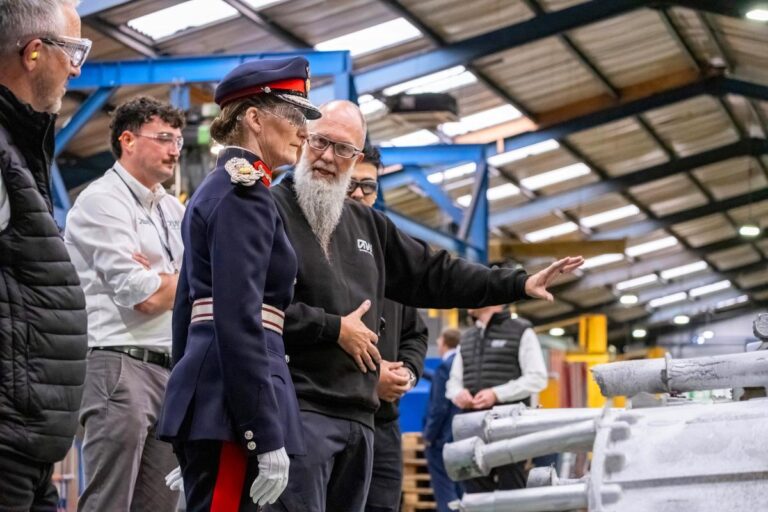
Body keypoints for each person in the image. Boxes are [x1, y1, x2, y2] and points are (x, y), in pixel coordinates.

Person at [269, 99, 583, 512]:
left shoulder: (369, 226)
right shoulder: (269, 210)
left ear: (357, 158)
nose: (328, 157)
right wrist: (334, 328)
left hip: (362, 422)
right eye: (321, 142)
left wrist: (518, 283)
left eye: (343, 149)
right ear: (303, 139)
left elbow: (438, 274)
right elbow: (254, 308)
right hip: (299, 412)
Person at [157, 57, 321, 511]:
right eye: (293, 116)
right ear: (254, 119)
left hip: (218, 407)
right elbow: (240, 319)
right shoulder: (244, 196)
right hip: (233, 411)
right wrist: (261, 431)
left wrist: (193, 416)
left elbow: (186, 315)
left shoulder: (222, 190)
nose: (303, 132)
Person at [64, 96, 186, 511]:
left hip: (171, 371)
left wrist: (165, 278)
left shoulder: (173, 209)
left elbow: (207, 283)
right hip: (118, 366)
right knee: (110, 503)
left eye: (179, 142)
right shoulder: (102, 201)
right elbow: (145, 298)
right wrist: (177, 282)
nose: (175, 150)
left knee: (160, 506)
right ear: (128, 140)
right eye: (165, 138)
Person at [0, 0, 91, 509]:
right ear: (34, 52)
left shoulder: (20, 144)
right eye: (72, 50)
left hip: (30, 440)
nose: (77, 68)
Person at [350, 145, 429, 512]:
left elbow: (416, 332)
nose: (359, 194)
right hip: (338, 419)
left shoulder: (387, 254)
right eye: (351, 184)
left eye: (369, 187)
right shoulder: (316, 251)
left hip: (384, 424)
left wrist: (408, 374)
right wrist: (370, 379)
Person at [446, 305, 548, 493]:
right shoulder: (467, 337)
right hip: (472, 429)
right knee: (475, 492)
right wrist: (458, 394)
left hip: (510, 428)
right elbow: (453, 382)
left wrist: (497, 393)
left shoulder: (521, 330)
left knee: (512, 490)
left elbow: (537, 378)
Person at [423, 328, 463, 512]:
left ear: (444, 343)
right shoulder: (462, 364)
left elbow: (439, 407)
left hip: (443, 440)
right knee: (461, 489)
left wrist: (429, 436)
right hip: (463, 437)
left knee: (444, 491)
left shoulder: (445, 367)